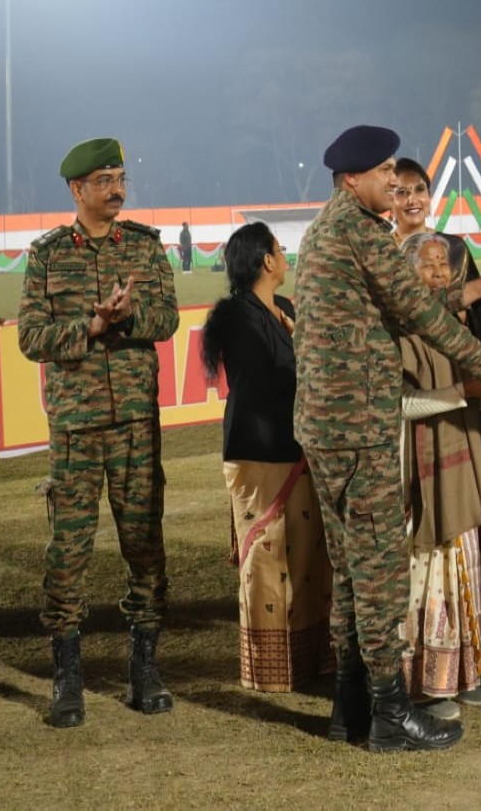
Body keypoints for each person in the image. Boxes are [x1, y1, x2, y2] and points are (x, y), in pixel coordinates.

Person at [294, 124, 481, 754]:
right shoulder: (360, 231)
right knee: (379, 572)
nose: (392, 182)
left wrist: (473, 289)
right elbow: (422, 313)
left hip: (324, 426)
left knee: (349, 570)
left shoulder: (324, 229)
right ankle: (389, 715)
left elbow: (410, 300)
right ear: (353, 180)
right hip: (360, 425)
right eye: (383, 174)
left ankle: (349, 707)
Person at [16, 138, 180, 729]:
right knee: (68, 552)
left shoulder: (144, 246)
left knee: (145, 546)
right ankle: (68, 679)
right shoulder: (48, 255)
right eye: (104, 180)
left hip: (137, 421)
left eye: (121, 177)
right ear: (76, 190)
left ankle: (145, 671)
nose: (117, 188)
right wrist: (91, 325)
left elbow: (168, 318)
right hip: (76, 428)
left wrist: (129, 316)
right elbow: (31, 338)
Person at [201, 221, 332, 692]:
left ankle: (309, 661)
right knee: (267, 559)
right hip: (258, 451)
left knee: (308, 557)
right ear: (265, 261)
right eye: (280, 249)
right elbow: (263, 382)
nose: (286, 256)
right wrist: (307, 356)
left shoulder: (286, 308)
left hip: (295, 446)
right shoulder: (238, 317)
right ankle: (270, 670)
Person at [391, 157, 481, 601]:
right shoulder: (381, 258)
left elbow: (480, 317)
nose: (411, 200)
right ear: (388, 199)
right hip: (419, 402)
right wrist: (470, 293)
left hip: (473, 393)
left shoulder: (456, 249)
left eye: (418, 190)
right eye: (401, 191)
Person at [397, 230, 481, 714]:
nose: (439, 273)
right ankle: (426, 683)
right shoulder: (398, 328)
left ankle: (464, 673)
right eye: (428, 265)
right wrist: (465, 393)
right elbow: (401, 405)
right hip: (422, 472)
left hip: (463, 456)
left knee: (465, 563)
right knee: (430, 571)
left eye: (444, 265)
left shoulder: (455, 325)